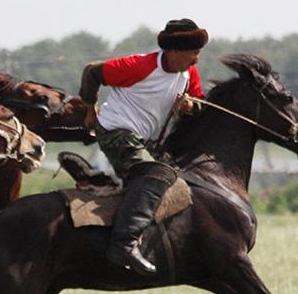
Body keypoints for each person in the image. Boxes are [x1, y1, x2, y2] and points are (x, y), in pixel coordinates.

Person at [78, 18, 208, 276]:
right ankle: (123, 245)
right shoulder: (139, 66)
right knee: (156, 174)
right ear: (173, 51)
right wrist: (89, 108)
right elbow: (92, 72)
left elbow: (199, 101)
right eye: (192, 53)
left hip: (144, 141)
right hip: (116, 131)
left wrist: (190, 106)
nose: (196, 59)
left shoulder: (188, 73)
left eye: (198, 52)